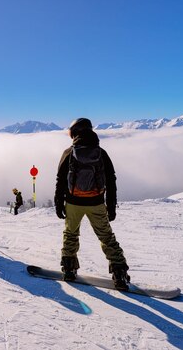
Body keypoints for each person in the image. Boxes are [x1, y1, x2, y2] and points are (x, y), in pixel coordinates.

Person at [54, 118, 130, 291]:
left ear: (74, 133)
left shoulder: (68, 152)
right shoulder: (101, 153)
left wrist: (59, 203)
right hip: (96, 202)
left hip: (73, 203)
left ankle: (69, 269)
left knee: (70, 234)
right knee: (106, 237)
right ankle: (119, 274)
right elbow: (111, 180)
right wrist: (111, 206)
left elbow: (60, 180)